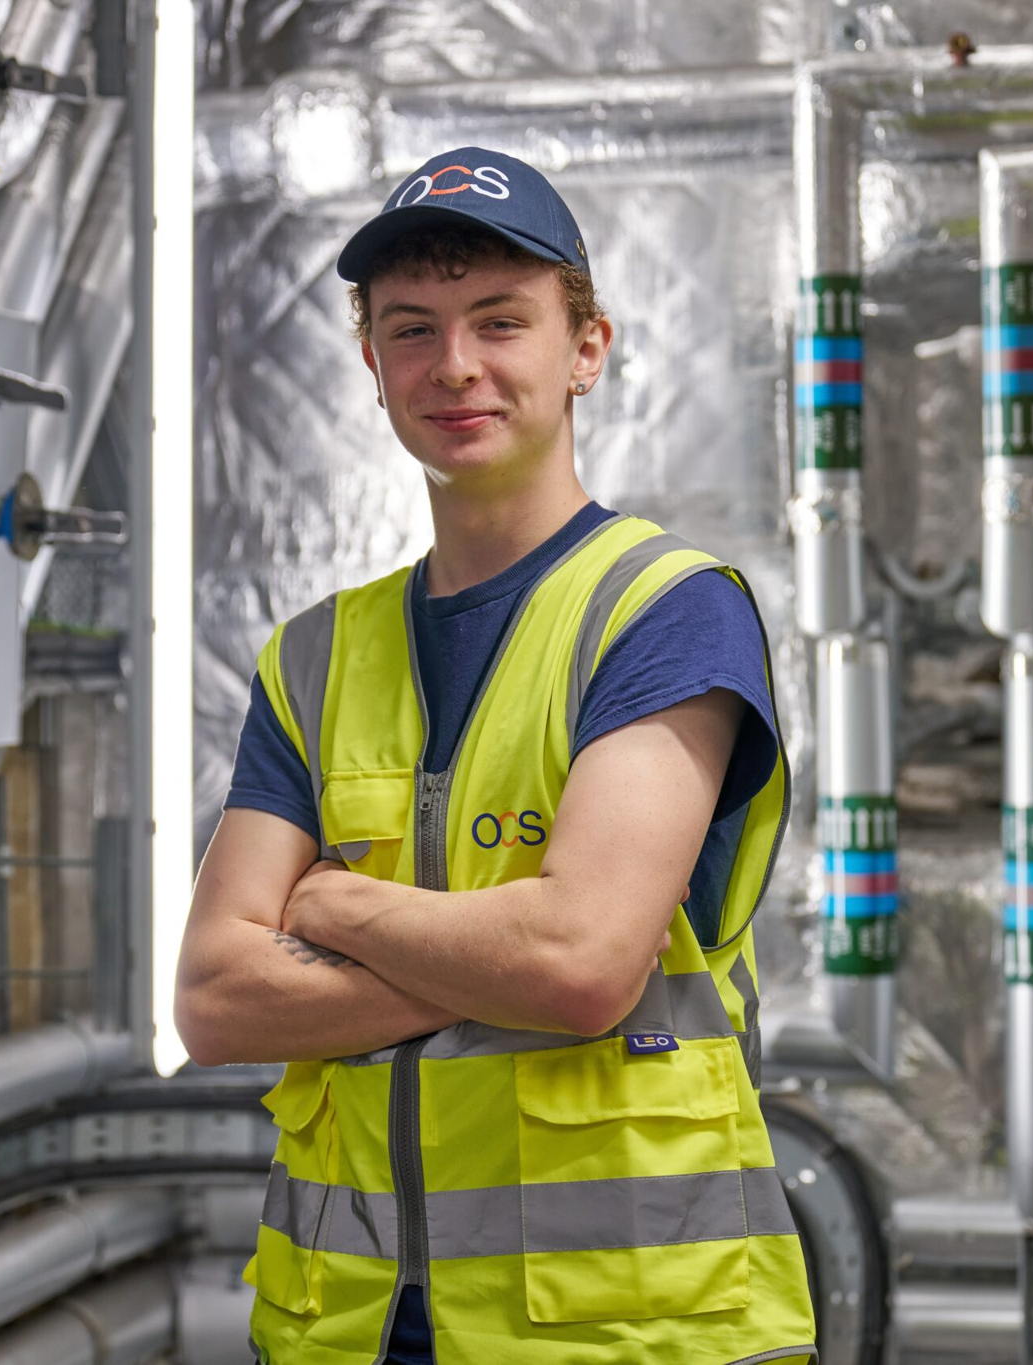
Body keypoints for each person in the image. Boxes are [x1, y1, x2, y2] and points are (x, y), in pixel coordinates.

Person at [176, 147, 818, 1365]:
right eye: (411, 329)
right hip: (349, 1330)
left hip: (624, 1336)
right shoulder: (314, 657)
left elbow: (579, 965)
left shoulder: (662, 609)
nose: (454, 365)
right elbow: (214, 999)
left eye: (500, 322)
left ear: (586, 349)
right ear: (371, 364)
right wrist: (501, 962)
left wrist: (337, 903)